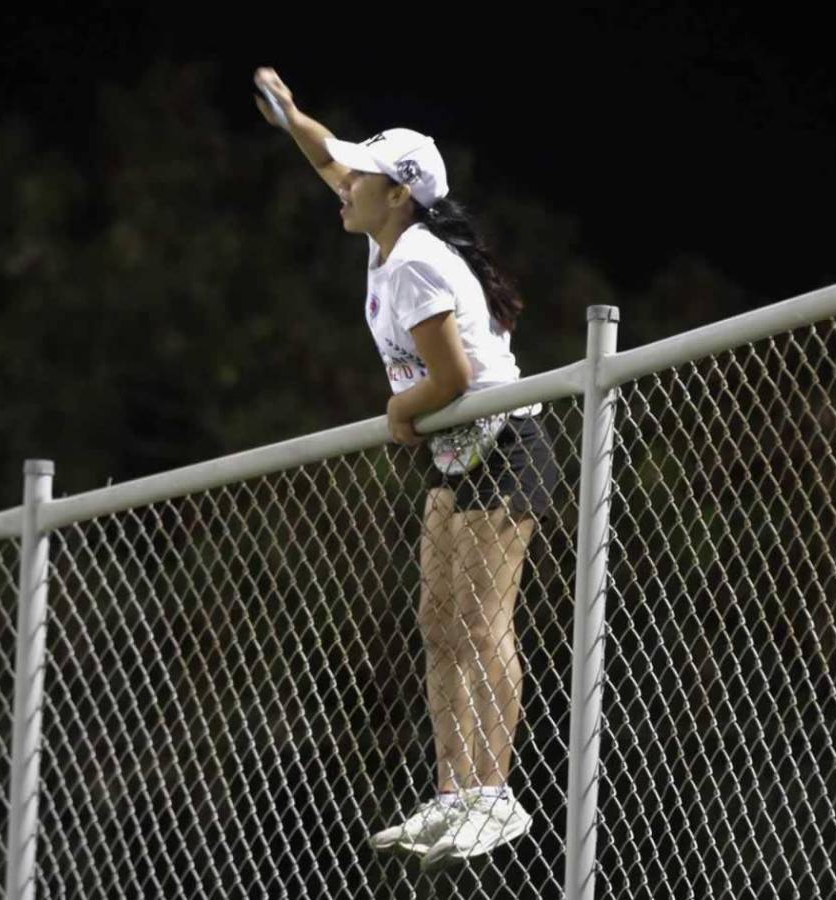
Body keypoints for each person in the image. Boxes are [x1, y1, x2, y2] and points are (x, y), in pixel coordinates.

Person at [254, 68, 558, 869]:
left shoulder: (416, 262)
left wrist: (398, 411)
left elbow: (452, 381)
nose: (343, 185)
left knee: (482, 624)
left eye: (363, 177)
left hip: (506, 445)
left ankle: (494, 793)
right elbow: (326, 161)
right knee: (438, 622)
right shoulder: (385, 232)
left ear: (400, 195)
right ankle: (453, 792)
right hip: (459, 455)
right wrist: (291, 117)